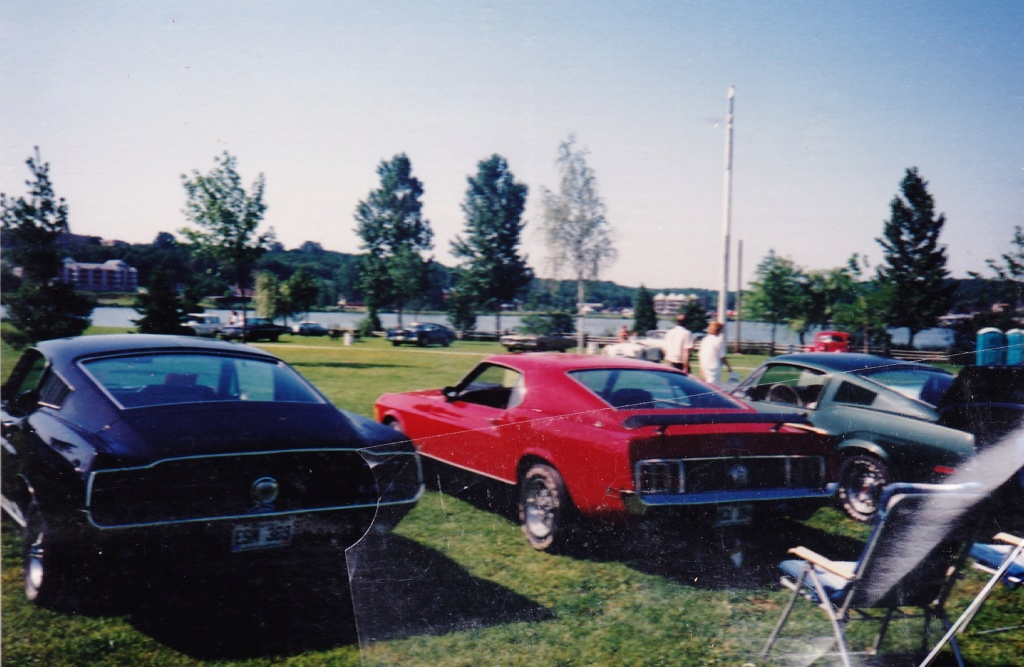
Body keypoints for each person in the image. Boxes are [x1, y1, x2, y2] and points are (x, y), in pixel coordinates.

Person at [698, 321, 733, 385]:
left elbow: (700, 354)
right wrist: (729, 368)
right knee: (713, 386)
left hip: (705, 365)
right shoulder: (719, 341)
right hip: (714, 367)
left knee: (707, 385)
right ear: (719, 330)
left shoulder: (705, 340)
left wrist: (701, 367)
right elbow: (722, 357)